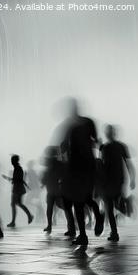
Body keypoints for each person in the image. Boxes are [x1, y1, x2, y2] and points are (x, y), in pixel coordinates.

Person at [58, 98, 104, 246]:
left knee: (80, 201)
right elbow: (96, 141)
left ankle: (84, 234)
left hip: (78, 167)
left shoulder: (70, 125)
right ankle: (91, 224)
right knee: (84, 200)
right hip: (86, 166)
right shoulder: (87, 122)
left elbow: (63, 146)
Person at [100, 124, 136, 241]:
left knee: (110, 207)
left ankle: (114, 232)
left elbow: (101, 165)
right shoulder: (117, 146)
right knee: (111, 206)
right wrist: (132, 178)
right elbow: (128, 164)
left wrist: (133, 178)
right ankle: (114, 232)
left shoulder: (106, 147)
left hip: (111, 180)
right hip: (116, 180)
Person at [41, 146, 75, 236]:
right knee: (63, 208)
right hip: (57, 189)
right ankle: (71, 227)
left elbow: (46, 177)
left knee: (51, 208)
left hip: (54, 189)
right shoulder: (59, 163)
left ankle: (50, 225)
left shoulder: (51, 164)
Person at [2, 154, 34, 227]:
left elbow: (18, 179)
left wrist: (7, 178)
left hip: (17, 188)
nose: (11, 162)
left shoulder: (18, 168)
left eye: (12, 160)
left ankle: (14, 221)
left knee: (14, 204)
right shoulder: (17, 168)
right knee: (18, 203)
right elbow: (18, 179)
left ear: (15, 161)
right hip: (18, 188)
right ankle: (28, 216)